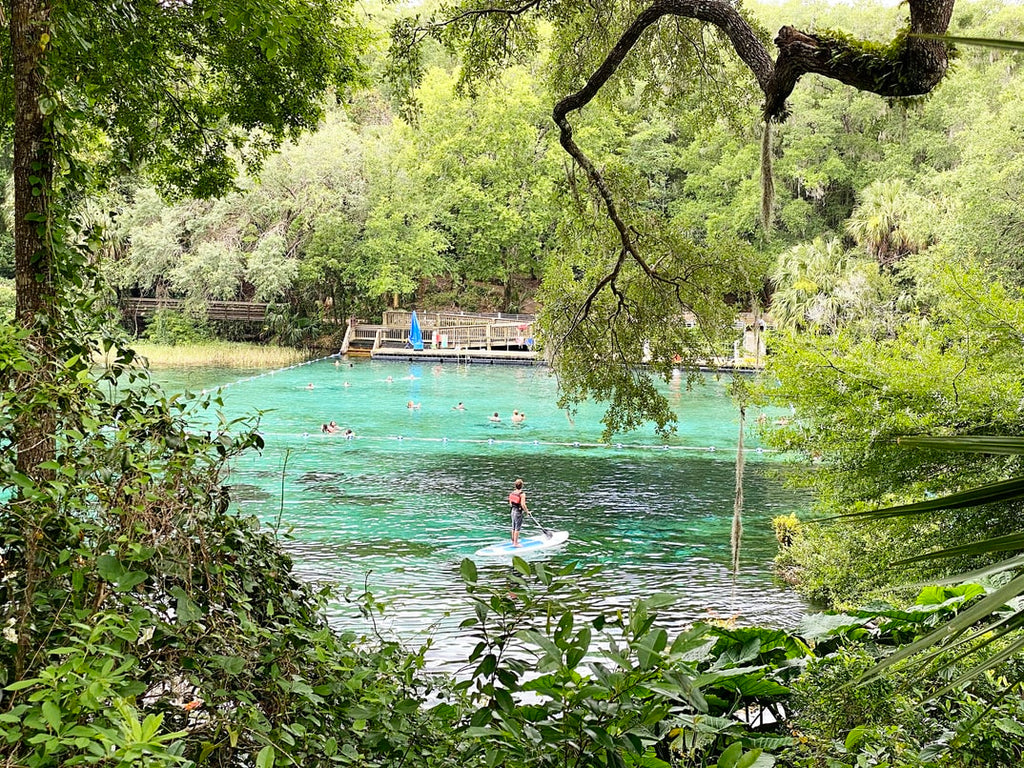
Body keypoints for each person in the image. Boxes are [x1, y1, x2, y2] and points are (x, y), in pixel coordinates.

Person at [508, 478, 529, 546]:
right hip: (518, 512)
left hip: (512, 511)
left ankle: (513, 541)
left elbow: (510, 503)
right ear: (522, 486)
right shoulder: (522, 494)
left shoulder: (512, 493)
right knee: (517, 528)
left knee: (513, 527)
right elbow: (523, 504)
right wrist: (527, 512)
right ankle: (515, 543)